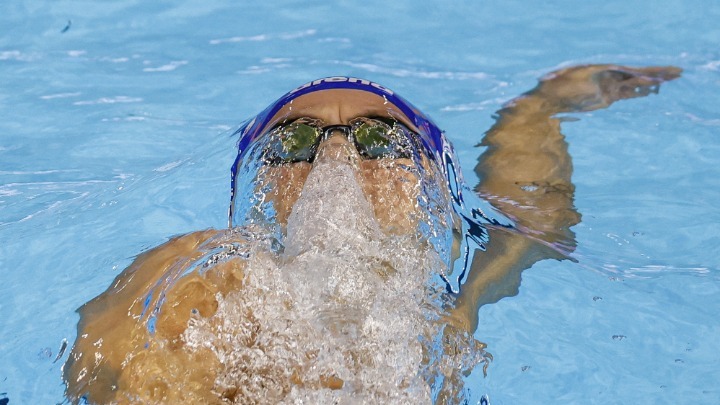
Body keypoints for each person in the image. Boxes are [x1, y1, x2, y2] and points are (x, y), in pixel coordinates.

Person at [63, 64, 680, 404]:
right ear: (254, 190)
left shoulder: (463, 283)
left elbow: (536, 215)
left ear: (436, 190)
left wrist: (540, 107)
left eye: (380, 140)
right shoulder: (197, 280)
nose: (335, 158)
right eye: (295, 142)